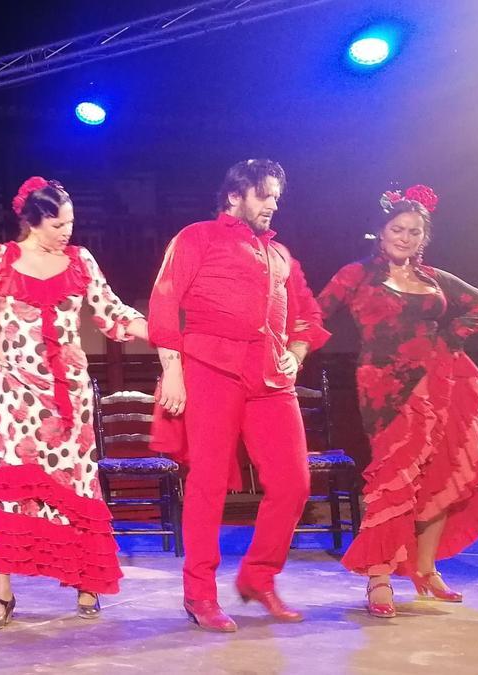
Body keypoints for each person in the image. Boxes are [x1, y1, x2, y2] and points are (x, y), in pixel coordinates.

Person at [0, 177, 148, 631]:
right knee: (10, 487)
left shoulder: (80, 261)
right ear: (34, 221)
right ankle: (2, 592)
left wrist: (161, 333)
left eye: (71, 222)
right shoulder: (2, 258)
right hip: (17, 393)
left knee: (77, 486)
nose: (67, 230)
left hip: (69, 397)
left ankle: (87, 581)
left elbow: (112, 312)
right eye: (59, 223)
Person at [148, 160, 330, 632]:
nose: (274, 203)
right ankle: (199, 594)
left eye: (276, 196)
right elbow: (165, 299)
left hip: (270, 377)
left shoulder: (281, 255)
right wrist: (172, 371)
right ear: (236, 196)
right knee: (208, 484)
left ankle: (259, 577)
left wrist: (297, 350)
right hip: (211, 368)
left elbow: (308, 314)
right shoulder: (197, 237)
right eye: (265, 194)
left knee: (294, 482)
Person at [316, 185, 478, 618]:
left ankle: (425, 569)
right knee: (393, 476)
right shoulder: (357, 275)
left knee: (440, 473)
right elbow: (316, 312)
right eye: (397, 229)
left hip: (438, 380)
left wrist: (453, 334)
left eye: (413, 231)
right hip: (384, 387)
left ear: (422, 238)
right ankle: (379, 577)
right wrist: (291, 349)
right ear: (381, 232)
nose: (404, 237)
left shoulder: (432, 279)